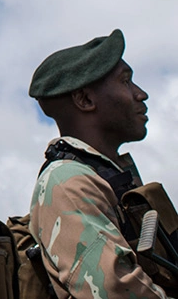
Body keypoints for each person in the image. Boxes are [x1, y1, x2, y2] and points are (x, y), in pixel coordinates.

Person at [27, 30, 174, 299]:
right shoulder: (68, 182)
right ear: (85, 100)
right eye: (126, 81)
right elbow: (115, 291)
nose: (141, 94)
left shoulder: (103, 176)